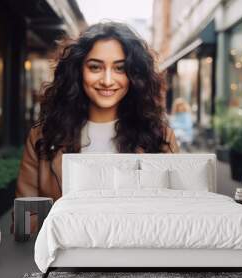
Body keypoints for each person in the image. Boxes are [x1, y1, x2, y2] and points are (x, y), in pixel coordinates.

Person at [15, 21, 179, 206]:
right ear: (78, 71)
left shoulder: (160, 137)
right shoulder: (43, 136)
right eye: (95, 67)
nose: (107, 81)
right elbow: (27, 221)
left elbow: (172, 215)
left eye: (120, 68)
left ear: (135, 75)